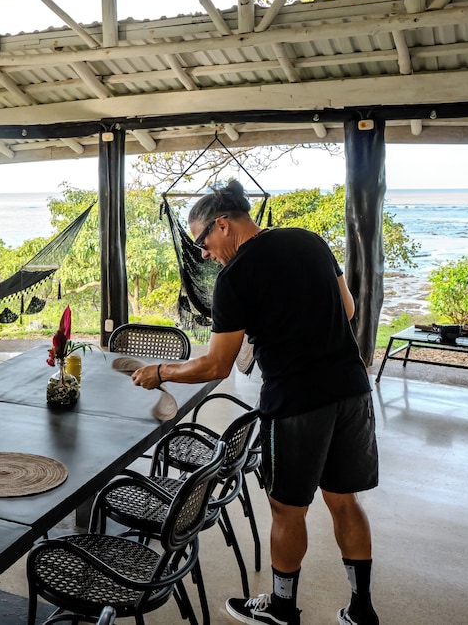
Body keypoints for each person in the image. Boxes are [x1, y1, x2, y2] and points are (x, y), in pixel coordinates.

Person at [131, 180, 380, 625]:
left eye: (201, 241)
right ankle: (361, 610)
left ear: (222, 225)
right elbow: (347, 309)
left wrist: (161, 372)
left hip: (297, 402)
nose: (203, 253)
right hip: (351, 389)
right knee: (345, 500)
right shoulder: (308, 240)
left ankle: (282, 608)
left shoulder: (235, 278)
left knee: (287, 508)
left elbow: (215, 365)